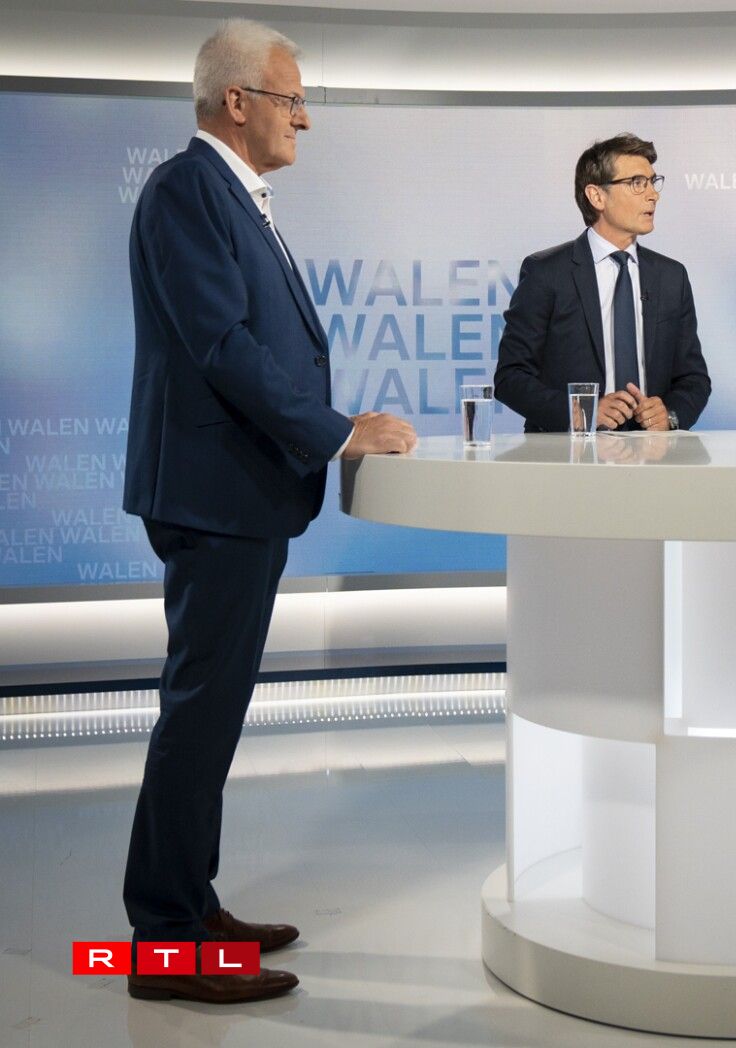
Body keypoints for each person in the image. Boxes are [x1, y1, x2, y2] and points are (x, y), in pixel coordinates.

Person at [121, 19, 417, 1001]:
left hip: (240, 496)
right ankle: (164, 943)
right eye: (293, 99)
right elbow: (224, 348)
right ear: (237, 100)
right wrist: (338, 432)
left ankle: (191, 903)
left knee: (211, 715)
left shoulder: (231, 195)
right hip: (214, 498)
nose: (305, 119)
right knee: (199, 714)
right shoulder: (186, 190)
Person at [494, 133, 711, 433]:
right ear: (597, 196)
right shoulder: (546, 273)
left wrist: (670, 415)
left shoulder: (672, 277)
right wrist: (583, 412)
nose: (653, 195)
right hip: (571, 453)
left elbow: (694, 379)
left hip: (652, 454)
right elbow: (511, 377)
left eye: (653, 182)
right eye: (637, 183)